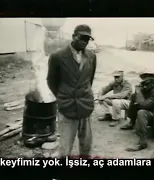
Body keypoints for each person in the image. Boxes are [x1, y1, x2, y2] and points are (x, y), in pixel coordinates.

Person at [47, 24, 97, 158]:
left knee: (86, 145)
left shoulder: (92, 57)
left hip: (85, 105)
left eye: (87, 39)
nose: (85, 42)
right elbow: (51, 81)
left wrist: (84, 94)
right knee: (65, 147)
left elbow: (89, 80)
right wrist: (64, 96)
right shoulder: (57, 57)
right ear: (73, 36)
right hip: (67, 106)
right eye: (82, 38)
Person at [122, 72, 154, 152]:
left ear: (153, 82)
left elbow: (144, 105)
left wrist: (139, 93)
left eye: (146, 84)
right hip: (152, 113)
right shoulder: (150, 88)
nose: (144, 86)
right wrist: (136, 94)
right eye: (143, 83)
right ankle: (132, 122)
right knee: (134, 96)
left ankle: (142, 143)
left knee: (141, 112)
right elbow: (140, 101)